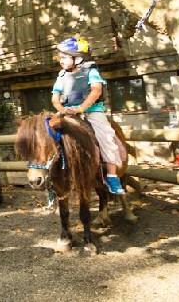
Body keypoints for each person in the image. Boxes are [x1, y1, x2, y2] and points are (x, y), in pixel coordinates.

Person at [52, 37, 125, 195]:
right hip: (67, 111)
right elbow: (55, 97)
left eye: (64, 57)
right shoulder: (62, 75)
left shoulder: (90, 71)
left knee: (106, 136)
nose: (61, 61)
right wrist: (61, 109)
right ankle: (52, 169)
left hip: (92, 111)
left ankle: (112, 176)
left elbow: (96, 91)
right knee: (50, 130)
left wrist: (81, 107)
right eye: (60, 58)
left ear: (77, 58)